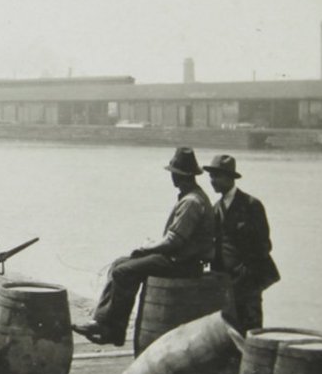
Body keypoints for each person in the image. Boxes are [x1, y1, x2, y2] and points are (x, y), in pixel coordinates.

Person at [73, 147, 216, 346]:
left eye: (174, 173)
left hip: (183, 263)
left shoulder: (191, 202)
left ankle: (114, 330)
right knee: (118, 264)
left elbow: (174, 241)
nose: (172, 177)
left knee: (124, 271)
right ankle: (101, 321)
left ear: (180, 175)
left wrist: (146, 249)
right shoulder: (192, 196)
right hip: (179, 258)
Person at [203, 154, 280, 334]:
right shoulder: (215, 209)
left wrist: (245, 272)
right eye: (211, 176)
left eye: (217, 176)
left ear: (230, 178)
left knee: (251, 331)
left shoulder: (251, 205)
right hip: (224, 283)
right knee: (227, 333)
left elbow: (264, 245)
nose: (212, 181)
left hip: (248, 285)